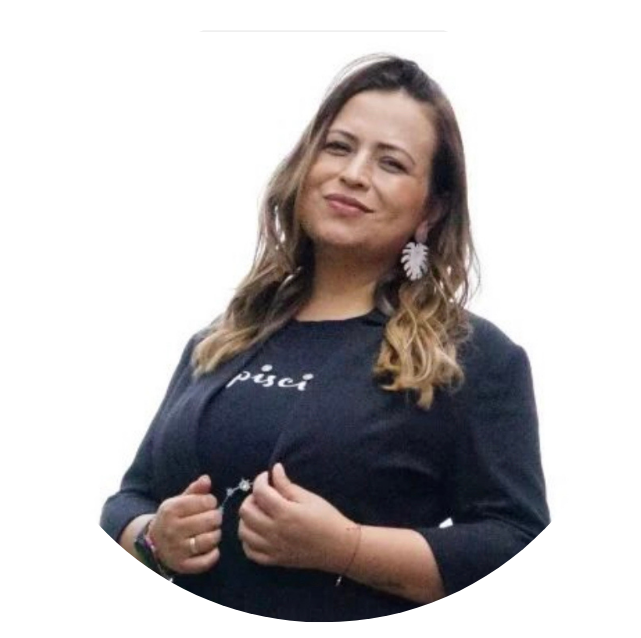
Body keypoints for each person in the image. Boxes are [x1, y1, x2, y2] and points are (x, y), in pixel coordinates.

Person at [100, 53, 550, 619]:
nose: (354, 174)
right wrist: (151, 540)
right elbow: (129, 499)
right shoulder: (220, 341)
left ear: (430, 209)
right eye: (338, 147)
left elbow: (513, 539)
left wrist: (347, 548)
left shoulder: (470, 357)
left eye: (391, 163)